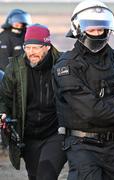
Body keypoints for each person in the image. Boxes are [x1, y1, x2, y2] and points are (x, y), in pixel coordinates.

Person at [53, 1, 114, 179]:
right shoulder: (67, 65)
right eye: (92, 29)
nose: (97, 34)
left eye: (101, 29)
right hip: (82, 144)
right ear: (79, 29)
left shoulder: (111, 56)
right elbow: (89, 109)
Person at [0, 24, 66, 180]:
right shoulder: (14, 69)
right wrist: (3, 113)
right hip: (28, 137)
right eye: (27, 47)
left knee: (46, 176)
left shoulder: (63, 65)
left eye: (36, 47)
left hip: (55, 133)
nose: (31, 52)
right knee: (35, 176)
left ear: (47, 46)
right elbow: (4, 98)